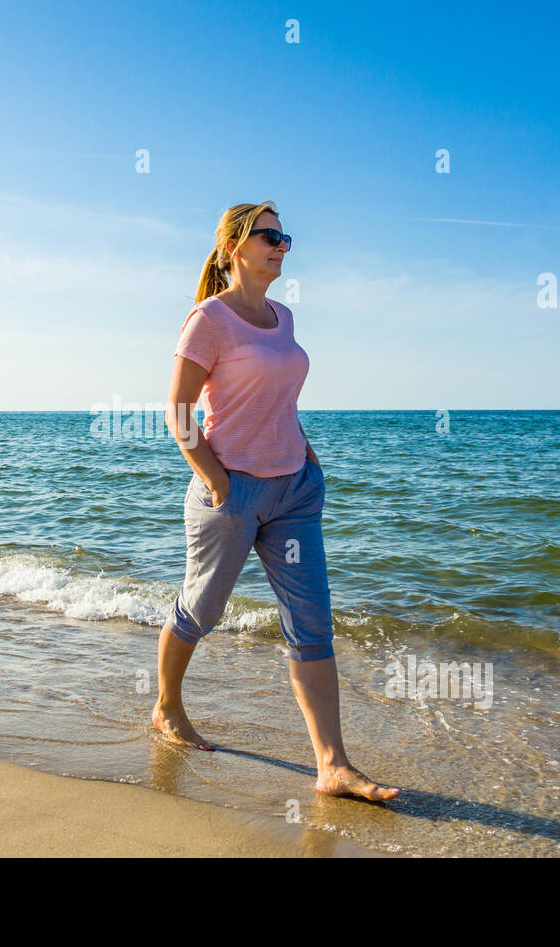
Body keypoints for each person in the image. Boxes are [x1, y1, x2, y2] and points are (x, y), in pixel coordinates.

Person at [154, 200, 400, 801]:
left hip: (294, 490)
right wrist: (217, 482)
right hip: (232, 491)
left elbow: (279, 400)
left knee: (312, 626)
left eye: (285, 237)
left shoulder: (283, 317)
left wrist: (308, 456)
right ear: (235, 246)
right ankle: (166, 708)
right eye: (269, 236)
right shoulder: (208, 319)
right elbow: (179, 413)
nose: (282, 245)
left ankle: (333, 765)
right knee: (201, 611)